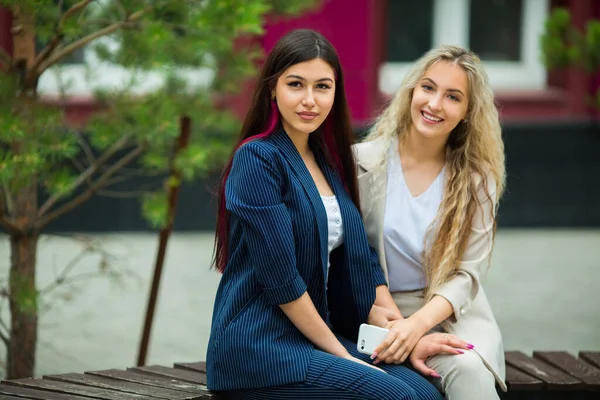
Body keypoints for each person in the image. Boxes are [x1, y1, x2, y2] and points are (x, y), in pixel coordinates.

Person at [206, 29, 445, 400]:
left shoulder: (324, 161)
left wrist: (402, 337)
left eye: (322, 87)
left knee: (425, 393)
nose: (309, 100)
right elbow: (281, 278)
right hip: (260, 349)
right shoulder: (258, 159)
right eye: (296, 84)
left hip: (313, 336)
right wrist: (341, 353)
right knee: (395, 397)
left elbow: (360, 257)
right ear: (272, 88)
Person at [354, 45, 507, 399]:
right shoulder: (361, 164)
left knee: (468, 371)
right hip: (375, 314)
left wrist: (417, 327)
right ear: (411, 90)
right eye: (428, 87)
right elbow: (353, 257)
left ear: (468, 111)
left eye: (453, 97)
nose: (435, 104)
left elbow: (466, 275)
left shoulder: (477, 180)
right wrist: (398, 327)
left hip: (448, 313)